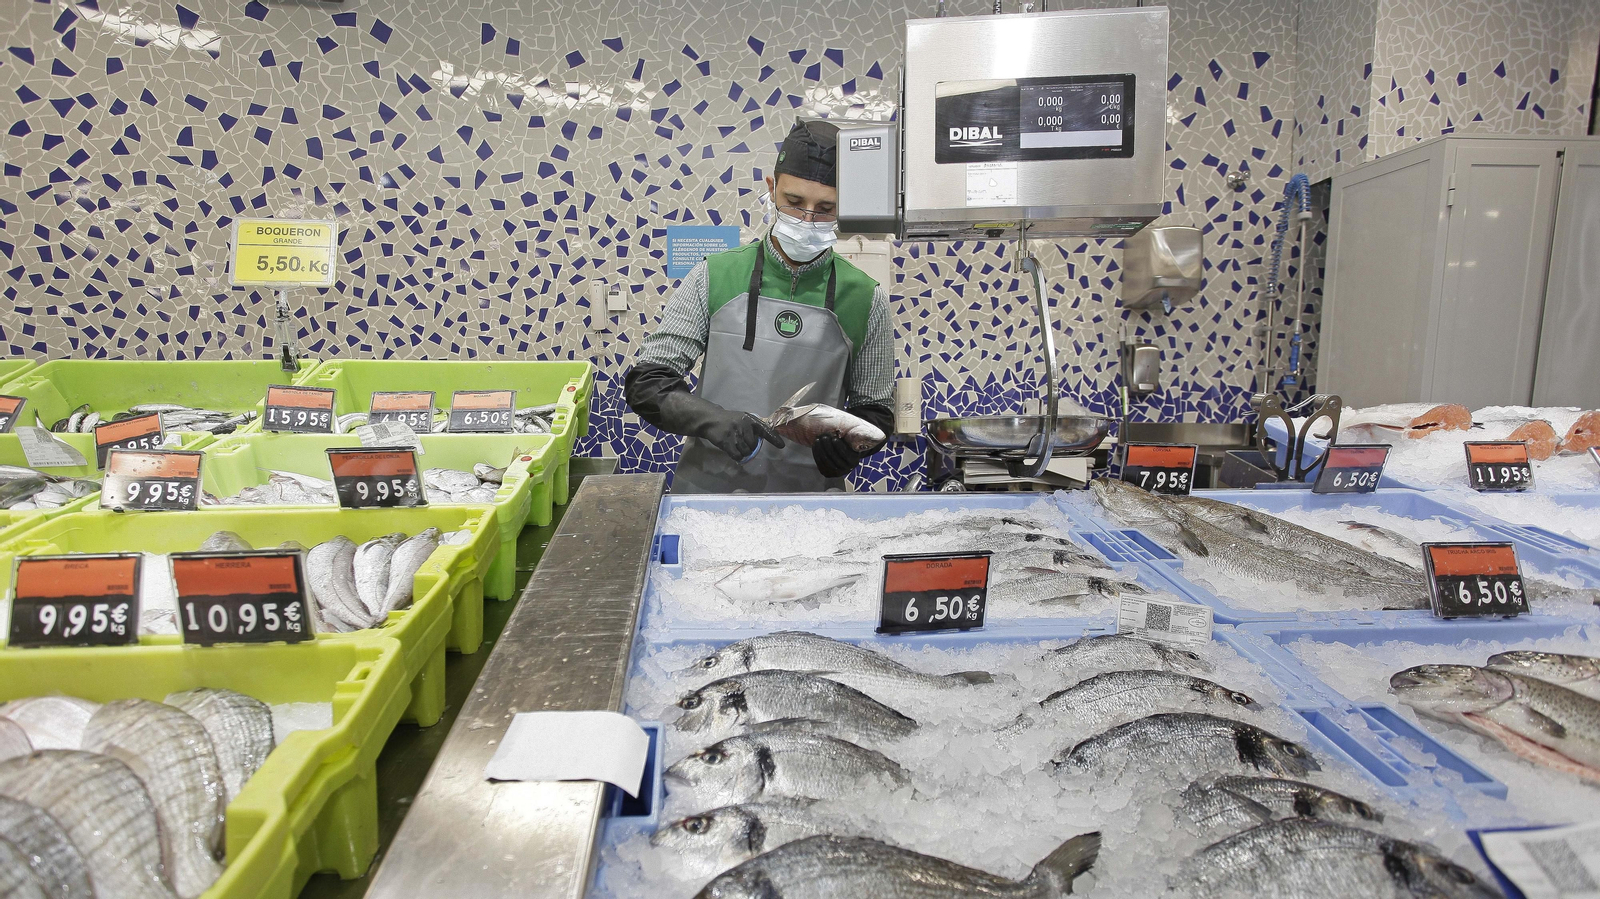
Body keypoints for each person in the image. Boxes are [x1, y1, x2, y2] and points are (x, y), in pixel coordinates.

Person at [624, 120, 894, 493]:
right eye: (794, 203)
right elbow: (648, 383)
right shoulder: (713, 276)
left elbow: (876, 410)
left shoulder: (867, 298)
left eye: (826, 208)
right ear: (771, 188)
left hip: (812, 509)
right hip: (708, 501)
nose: (806, 219)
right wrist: (711, 420)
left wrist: (849, 450)